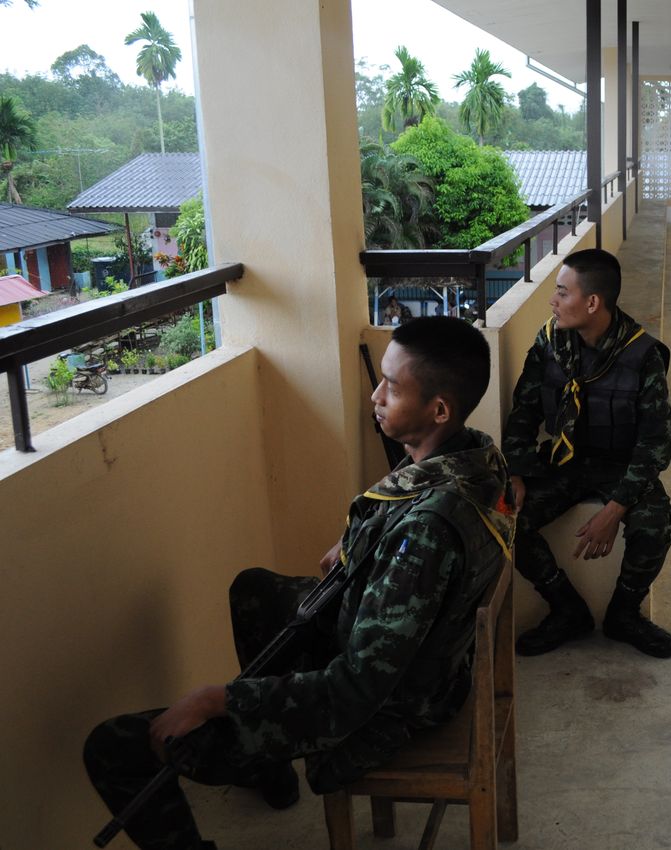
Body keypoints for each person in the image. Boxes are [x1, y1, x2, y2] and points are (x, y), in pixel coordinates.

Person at [83, 317, 515, 850]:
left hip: (388, 711)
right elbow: (409, 527)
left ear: (439, 410)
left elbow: (354, 691)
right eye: (380, 379)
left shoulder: (425, 534)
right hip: (429, 662)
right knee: (254, 590)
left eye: (393, 387)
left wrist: (220, 700)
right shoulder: (475, 456)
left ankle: (254, 753)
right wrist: (358, 546)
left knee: (115, 746)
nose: (376, 396)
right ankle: (267, 766)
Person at [503, 248, 671, 659]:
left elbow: (657, 443)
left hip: (622, 465)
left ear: (593, 302)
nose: (553, 302)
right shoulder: (550, 342)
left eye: (562, 293)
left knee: (654, 526)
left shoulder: (642, 356)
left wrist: (613, 510)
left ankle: (624, 614)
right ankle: (566, 609)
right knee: (507, 522)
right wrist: (517, 474)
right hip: (565, 460)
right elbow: (523, 413)